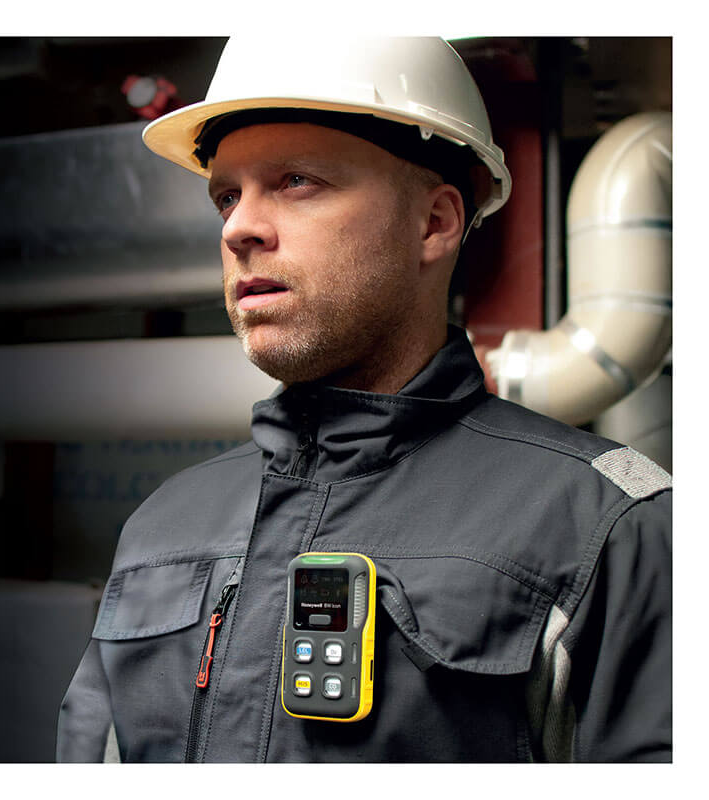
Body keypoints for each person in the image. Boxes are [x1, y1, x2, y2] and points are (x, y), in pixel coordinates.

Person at [56, 36, 671, 763]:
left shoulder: (608, 529)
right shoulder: (162, 526)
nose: (238, 227)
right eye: (227, 194)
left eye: (296, 181)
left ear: (435, 223)